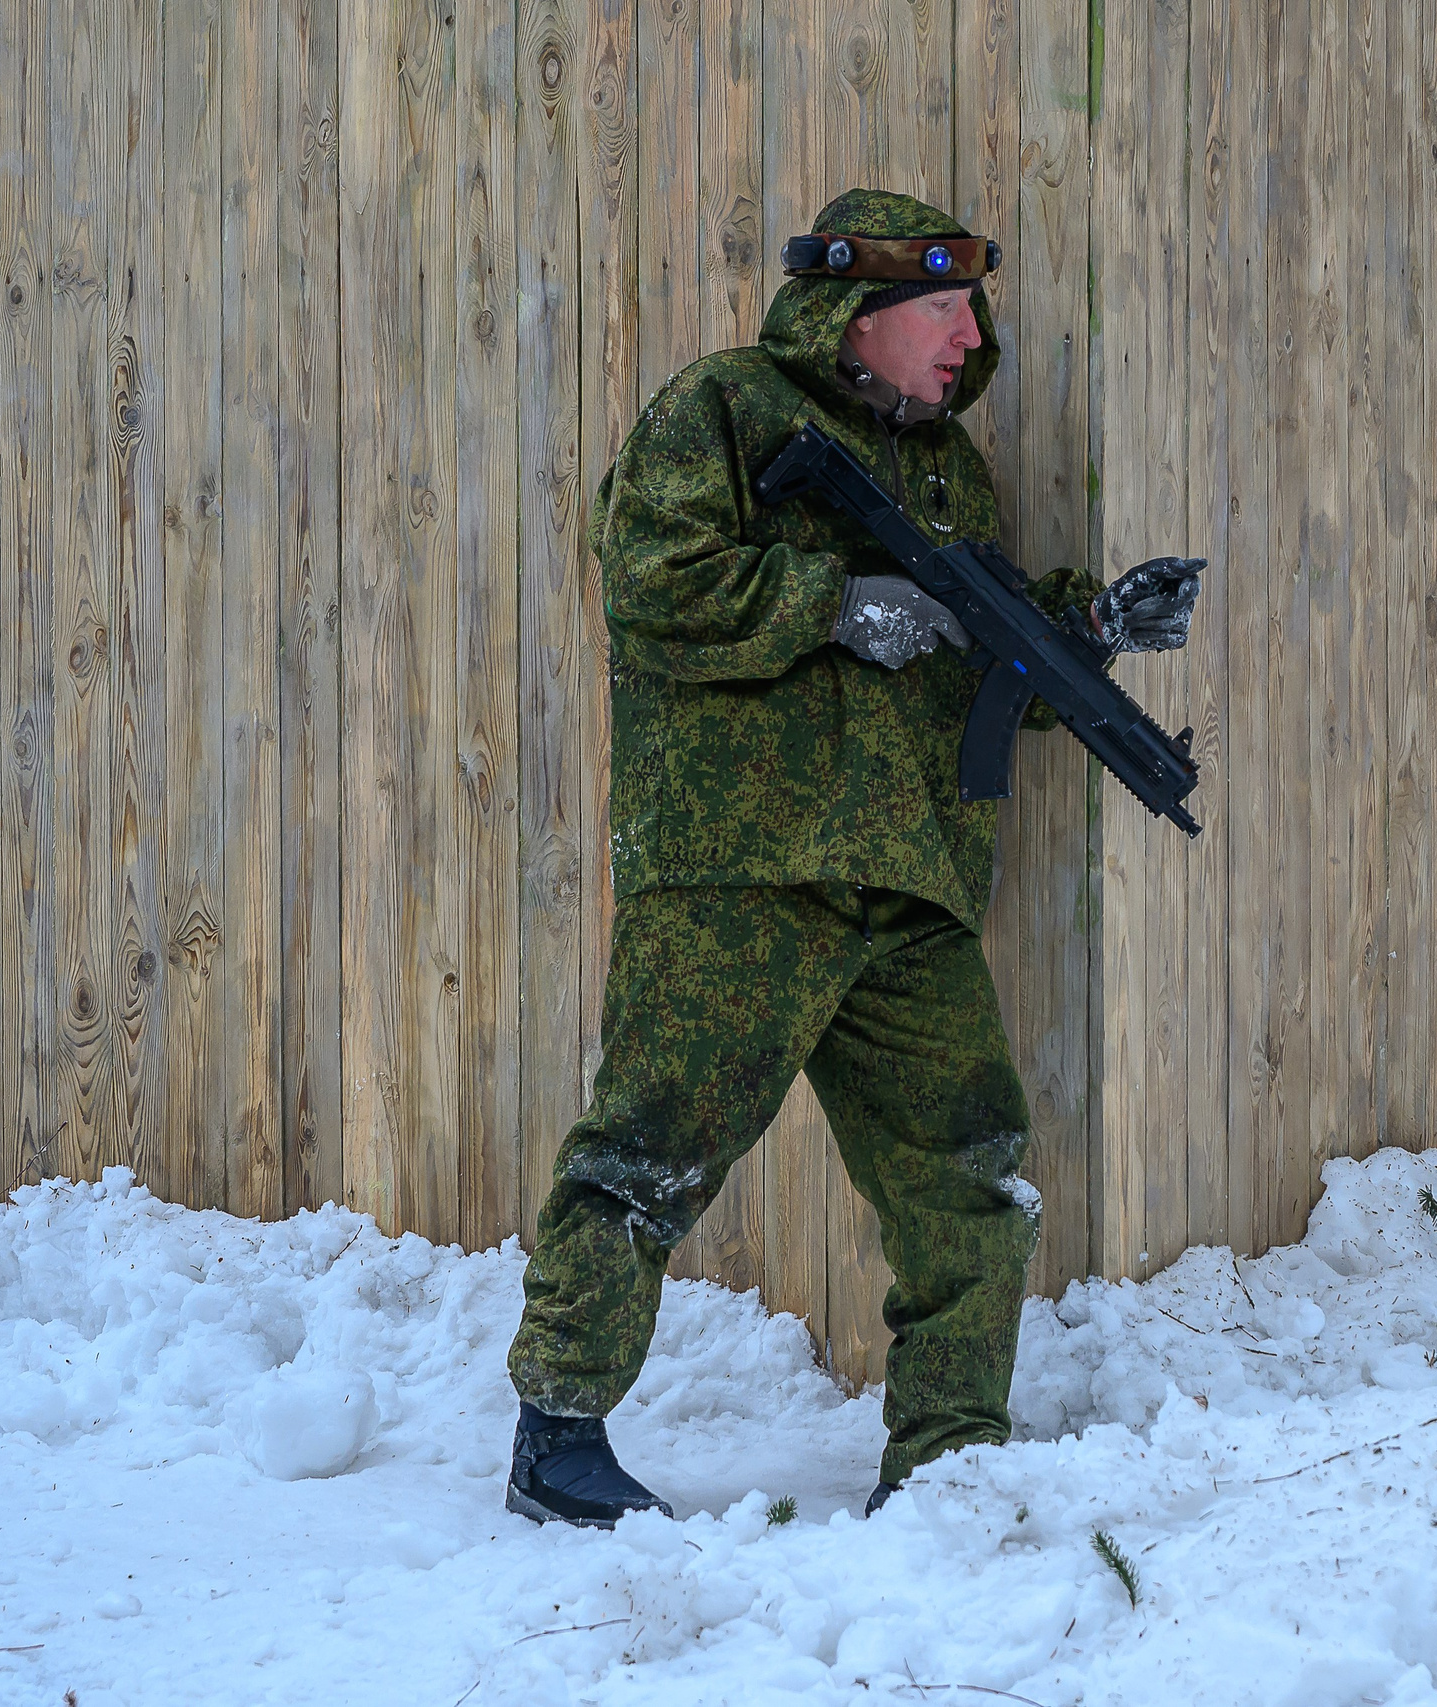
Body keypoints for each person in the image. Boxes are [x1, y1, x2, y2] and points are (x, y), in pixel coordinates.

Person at [501, 188, 1203, 1529]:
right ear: (855, 314)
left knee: (969, 1175)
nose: (965, 335)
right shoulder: (728, 411)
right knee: (649, 1149)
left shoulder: (951, 473)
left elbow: (992, 662)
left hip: (908, 883)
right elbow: (650, 576)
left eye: (971, 309)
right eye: (938, 307)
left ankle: (951, 1456)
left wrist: (1098, 625)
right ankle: (558, 1438)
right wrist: (833, 601)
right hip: (742, 866)